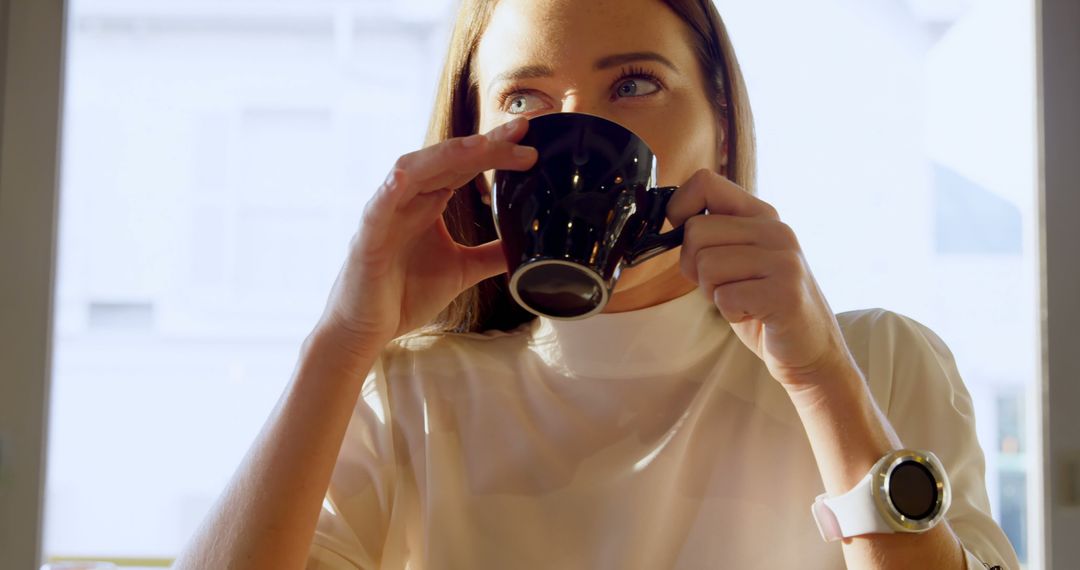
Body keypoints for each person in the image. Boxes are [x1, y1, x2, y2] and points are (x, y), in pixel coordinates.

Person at [173, 0, 1020, 568]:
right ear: (481, 154)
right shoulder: (407, 394)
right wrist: (343, 341)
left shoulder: (876, 361)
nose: (587, 131)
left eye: (635, 84)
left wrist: (819, 378)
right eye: (525, 97)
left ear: (719, 124)